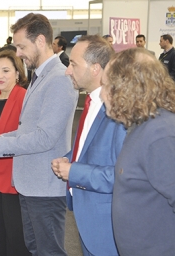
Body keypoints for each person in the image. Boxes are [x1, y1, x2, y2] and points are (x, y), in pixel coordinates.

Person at [0, 13, 78, 256]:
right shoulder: (40, 77)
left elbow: (44, 137)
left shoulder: (58, 79)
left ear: (40, 41)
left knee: (48, 251)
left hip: (45, 187)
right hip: (30, 184)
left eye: (21, 46)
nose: (18, 53)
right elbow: (26, 129)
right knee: (35, 249)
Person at [100, 47, 175, 256]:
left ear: (125, 89)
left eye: (104, 85)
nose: (101, 94)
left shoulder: (163, 136)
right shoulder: (145, 126)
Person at [51, 35, 126, 256]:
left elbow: (123, 175)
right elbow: (88, 149)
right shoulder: (91, 101)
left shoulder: (118, 111)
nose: (67, 70)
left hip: (107, 226)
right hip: (88, 220)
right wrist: (69, 157)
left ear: (95, 68)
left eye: (73, 64)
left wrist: (74, 171)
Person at [0, 49, 31, 256]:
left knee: (15, 233)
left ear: (18, 73)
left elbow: (26, 135)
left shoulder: (24, 97)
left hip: (14, 175)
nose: (0, 76)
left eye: (6, 71)